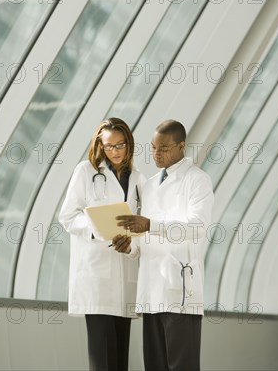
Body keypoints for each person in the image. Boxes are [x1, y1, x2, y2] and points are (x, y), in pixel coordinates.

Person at [114, 119, 214, 371]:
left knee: (182, 366)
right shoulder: (149, 185)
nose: (156, 154)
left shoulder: (197, 180)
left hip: (180, 290)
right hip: (151, 290)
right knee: (155, 366)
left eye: (164, 148)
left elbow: (196, 227)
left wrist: (150, 225)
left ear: (181, 146)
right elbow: (146, 238)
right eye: (153, 148)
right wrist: (131, 247)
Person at [59, 117, 146, 371]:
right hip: (96, 279)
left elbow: (144, 226)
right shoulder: (86, 171)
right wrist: (97, 231)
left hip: (125, 277)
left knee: (120, 361)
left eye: (120, 145)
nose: (115, 152)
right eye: (109, 146)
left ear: (129, 144)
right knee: (103, 362)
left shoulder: (139, 180)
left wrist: (132, 246)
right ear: (100, 145)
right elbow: (68, 216)